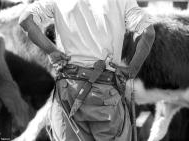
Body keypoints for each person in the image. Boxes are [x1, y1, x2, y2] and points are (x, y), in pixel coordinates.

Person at [19, 0, 155, 140]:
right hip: (105, 93)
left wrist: (51, 51)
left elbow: (25, 20)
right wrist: (133, 68)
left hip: (68, 90)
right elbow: (148, 32)